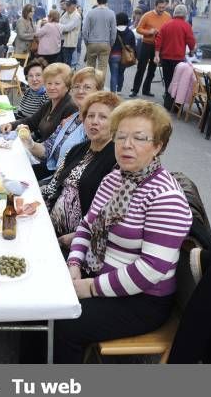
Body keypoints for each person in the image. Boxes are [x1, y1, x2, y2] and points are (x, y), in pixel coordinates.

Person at [53, 99, 193, 363]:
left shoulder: (165, 197)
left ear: (158, 146)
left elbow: (149, 270)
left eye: (139, 138)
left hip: (141, 299)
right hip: (97, 273)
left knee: (63, 322)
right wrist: (73, 264)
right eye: (120, 137)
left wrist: (88, 288)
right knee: (42, 284)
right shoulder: (115, 177)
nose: (127, 145)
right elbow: (86, 225)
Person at [40, 91, 120, 254]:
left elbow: (110, 213)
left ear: (116, 123)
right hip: (50, 229)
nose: (94, 122)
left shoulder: (117, 159)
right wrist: (32, 198)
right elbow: (53, 186)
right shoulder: (76, 150)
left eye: (103, 117)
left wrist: (77, 237)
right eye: (90, 116)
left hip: (78, 243)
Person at [19, 67, 105, 176]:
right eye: (77, 86)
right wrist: (30, 143)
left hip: (63, 180)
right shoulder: (72, 119)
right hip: (52, 171)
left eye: (87, 87)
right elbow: (47, 149)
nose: (80, 91)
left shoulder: (95, 126)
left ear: (99, 92)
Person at [1, 62, 78, 180]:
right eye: (49, 83)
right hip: (37, 151)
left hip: (49, 163)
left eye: (57, 83)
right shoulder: (50, 103)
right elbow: (32, 121)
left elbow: (56, 149)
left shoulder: (70, 107)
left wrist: (31, 145)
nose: (52, 87)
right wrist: (11, 125)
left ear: (67, 86)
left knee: (10, 169)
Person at [154, 4, 196, 108]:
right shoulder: (186, 26)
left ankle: (167, 103)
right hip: (179, 60)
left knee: (168, 80)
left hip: (166, 58)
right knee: (178, 82)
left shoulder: (166, 25)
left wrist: (157, 55)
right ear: (185, 14)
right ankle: (176, 106)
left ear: (174, 13)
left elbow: (158, 40)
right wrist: (192, 51)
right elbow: (191, 41)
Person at [129, 0, 171, 98]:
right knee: (141, 68)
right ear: (155, 6)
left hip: (158, 46)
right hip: (146, 44)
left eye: (163, 7)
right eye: (160, 7)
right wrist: (150, 32)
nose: (161, 9)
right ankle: (135, 90)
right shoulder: (147, 15)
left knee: (152, 69)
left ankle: (146, 89)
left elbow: (168, 30)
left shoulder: (168, 16)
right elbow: (138, 29)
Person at [82, 0, 116, 77]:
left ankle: (89, 86)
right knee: (102, 68)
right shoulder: (111, 13)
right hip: (105, 43)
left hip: (92, 43)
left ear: (97, 1)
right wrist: (111, 44)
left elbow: (84, 30)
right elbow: (113, 31)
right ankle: (100, 87)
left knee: (90, 67)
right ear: (106, 1)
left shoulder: (90, 13)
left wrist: (87, 42)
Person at [109, 12, 136, 94]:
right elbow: (133, 46)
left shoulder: (113, 31)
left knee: (114, 74)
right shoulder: (130, 32)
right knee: (121, 73)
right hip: (125, 56)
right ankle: (119, 90)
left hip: (114, 55)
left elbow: (110, 42)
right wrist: (135, 56)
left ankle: (113, 92)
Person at [59, 0, 81, 67]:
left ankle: (68, 77)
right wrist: (61, 26)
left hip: (70, 43)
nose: (67, 7)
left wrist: (60, 26)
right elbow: (60, 22)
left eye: (68, 5)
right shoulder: (67, 13)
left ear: (74, 6)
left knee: (67, 63)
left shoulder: (76, 16)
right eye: (67, 5)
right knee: (63, 62)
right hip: (63, 41)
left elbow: (68, 28)